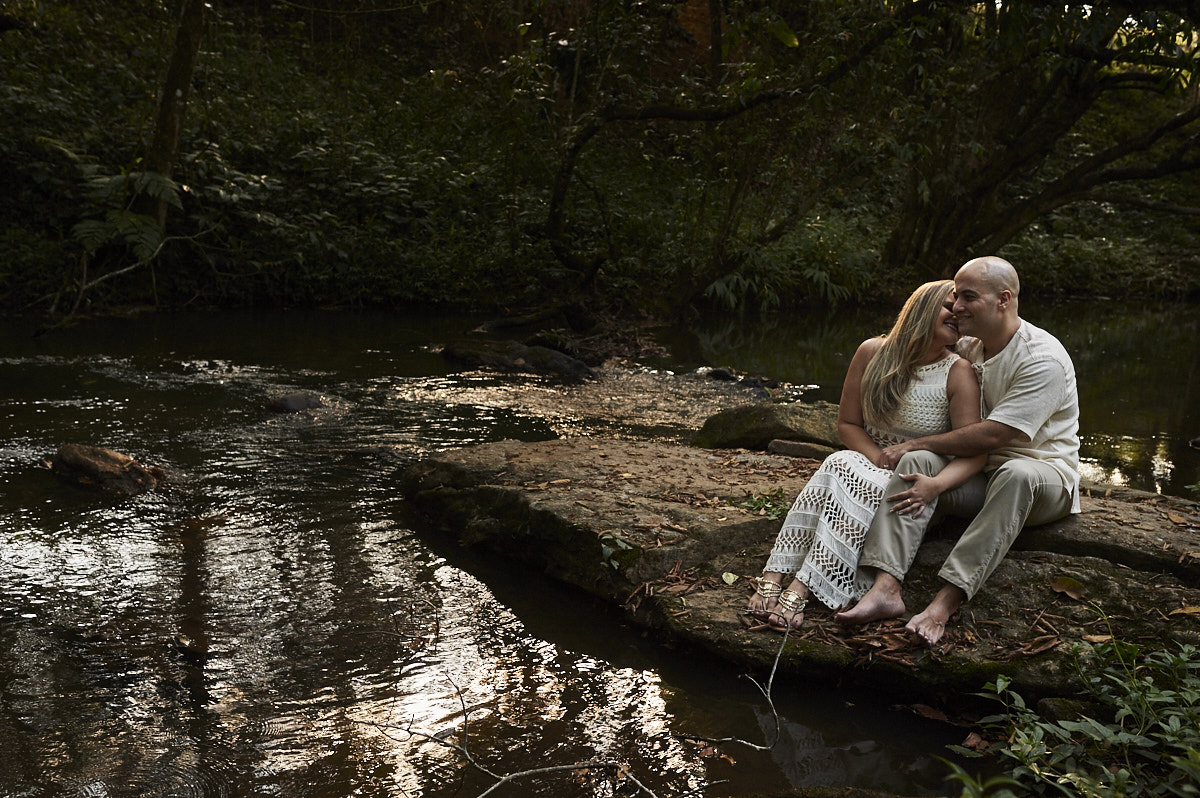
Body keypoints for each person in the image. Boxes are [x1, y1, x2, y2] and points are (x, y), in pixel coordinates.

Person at [835, 256, 1080, 645]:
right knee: (916, 464)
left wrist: (917, 440)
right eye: (954, 297)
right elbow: (918, 352)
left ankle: (942, 605)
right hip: (981, 477)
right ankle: (885, 587)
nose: (956, 307)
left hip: (1043, 480)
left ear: (1003, 300)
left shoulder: (1041, 359)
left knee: (1013, 474)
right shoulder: (970, 344)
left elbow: (990, 437)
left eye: (968, 297)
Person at [746, 280, 987, 632]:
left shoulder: (958, 371)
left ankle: (798, 586)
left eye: (963, 307)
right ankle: (776, 575)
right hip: (868, 460)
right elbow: (848, 424)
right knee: (839, 463)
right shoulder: (872, 352)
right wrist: (877, 458)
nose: (958, 313)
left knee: (841, 467)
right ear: (921, 307)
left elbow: (972, 448)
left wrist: (933, 484)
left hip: (917, 478)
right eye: (949, 305)